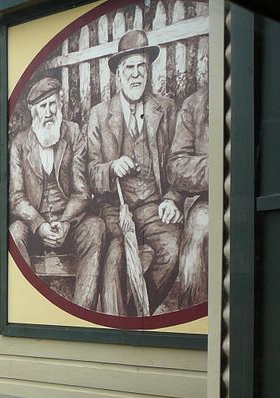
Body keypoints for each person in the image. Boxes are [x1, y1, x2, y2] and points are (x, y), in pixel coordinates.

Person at [87, 29, 183, 316]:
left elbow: (178, 163)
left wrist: (173, 199)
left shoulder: (165, 109)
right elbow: (89, 172)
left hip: (155, 206)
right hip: (116, 208)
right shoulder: (99, 114)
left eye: (142, 66)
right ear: (118, 74)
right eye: (129, 67)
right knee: (115, 253)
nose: (136, 74)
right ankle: (116, 322)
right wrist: (111, 168)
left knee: (172, 250)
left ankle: (135, 315)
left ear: (148, 70)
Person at [9, 77, 105, 309]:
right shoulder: (20, 143)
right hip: (35, 226)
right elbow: (16, 197)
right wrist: (39, 224)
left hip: (69, 222)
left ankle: (83, 311)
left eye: (52, 104)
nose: (49, 112)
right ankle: (28, 309)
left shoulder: (73, 133)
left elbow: (82, 191)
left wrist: (65, 222)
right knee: (14, 233)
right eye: (43, 106)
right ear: (33, 110)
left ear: (60, 103)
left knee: (96, 228)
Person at [168, 86, 209, 307]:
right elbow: (177, 166)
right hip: (210, 199)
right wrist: (217, 165)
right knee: (199, 224)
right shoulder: (194, 105)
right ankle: (194, 313)